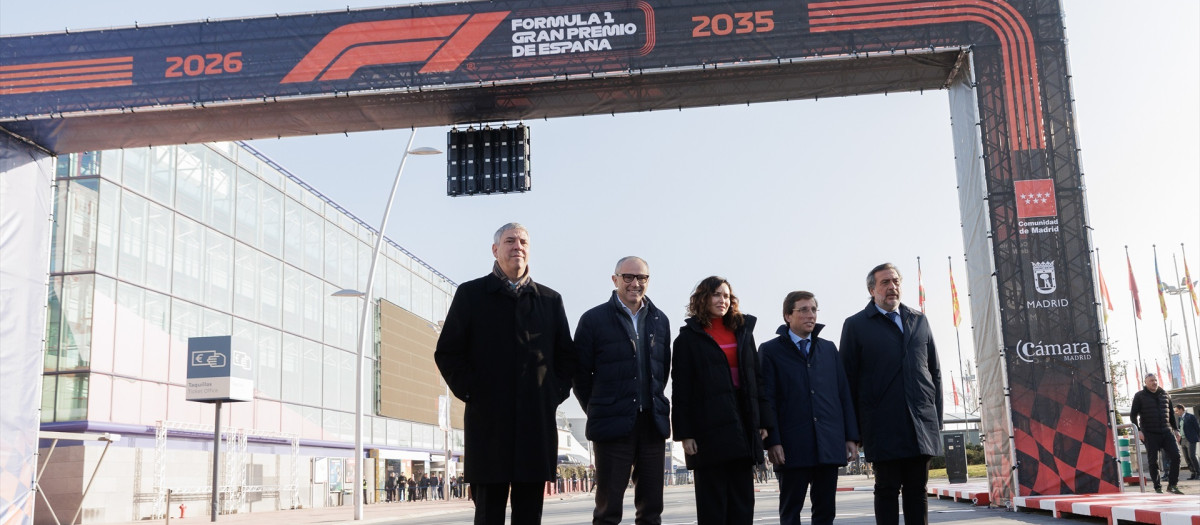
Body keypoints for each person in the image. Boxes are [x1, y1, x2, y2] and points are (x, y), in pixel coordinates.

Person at [435, 222, 577, 525]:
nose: (518, 247)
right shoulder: (471, 294)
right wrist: (473, 391)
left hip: (534, 424)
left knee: (529, 515)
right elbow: (447, 352)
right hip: (489, 425)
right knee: (488, 514)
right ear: (495, 249)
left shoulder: (550, 300)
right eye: (510, 241)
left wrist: (550, 394)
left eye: (524, 242)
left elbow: (567, 358)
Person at [840, 263, 942, 525]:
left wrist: (935, 423)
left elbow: (934, 373)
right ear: (872, 289)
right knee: (886, 490)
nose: (892, 287)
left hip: (920, 425)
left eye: (895, 281)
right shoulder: (856, 326)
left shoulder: (919, 320)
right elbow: (847, 382)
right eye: (885, 282)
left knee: (917, 491)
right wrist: (853, 433)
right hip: (881, 425)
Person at [573, 256, 672, 525]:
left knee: (652, 509)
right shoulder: (593, 319)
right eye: (628, 277)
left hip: (652, 424)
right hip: (611, 424)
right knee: (608, 510)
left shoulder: (660, 320)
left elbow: (662, 370)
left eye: (642, 278)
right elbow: (580, 375)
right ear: (615, 279)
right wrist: (597, 407)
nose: (635, 283)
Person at [671, 276, 773, 525]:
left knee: (741, 502)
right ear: (703, 298)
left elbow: (756, 380)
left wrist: (762, 420)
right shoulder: (687, 339)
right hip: (708, 429)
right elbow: (681, 389)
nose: (722, 300)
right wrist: (685, 433)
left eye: (726, 295)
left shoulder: (743, 332)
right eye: (716, 294)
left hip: (742, 424)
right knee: (712, 505)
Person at [760, 291, 859, 525]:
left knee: (825, 512)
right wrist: (772, 441)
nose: (810, 315)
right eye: (803, 309)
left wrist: (851, 437)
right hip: (792, 447)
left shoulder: (828, 349)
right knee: (790, 512)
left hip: (828, 443)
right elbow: (767, 399)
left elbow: (843, 394)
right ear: (787, 315)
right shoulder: (770, 351)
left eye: (814, 309)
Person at [1130, 374, 1182, 494]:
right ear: (1146, 382)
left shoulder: (1165, 394)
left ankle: (1172, 485)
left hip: (1166, 431)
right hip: (1149, 433)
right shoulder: (1139, 396)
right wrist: (1138, 430)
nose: (1154, 382)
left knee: (1176, 456)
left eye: (1155, 380)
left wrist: (1176, 429)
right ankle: (1157, 487)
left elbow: (1171, 415)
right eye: (1151, 381)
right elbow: (1133, 415)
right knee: (1153, 461)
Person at [1175, 404, 1199, 481]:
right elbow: (1180, 428)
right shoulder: (1179, 418)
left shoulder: (1190, 416)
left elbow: (1197, 428)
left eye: (1177, 410)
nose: (1176, 412)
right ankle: (1193, 473)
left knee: (1192, 456)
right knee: (1187, 458)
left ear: (1181, 409)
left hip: (1191, 439)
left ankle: (1198, 473)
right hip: (1183, 440)